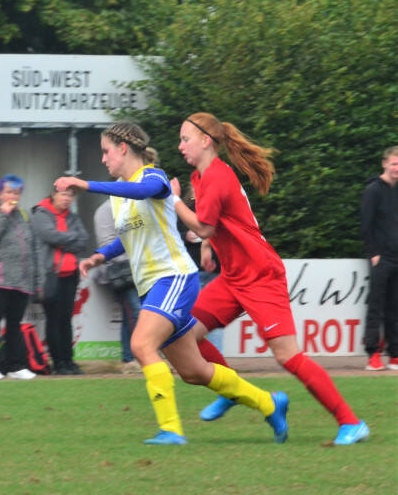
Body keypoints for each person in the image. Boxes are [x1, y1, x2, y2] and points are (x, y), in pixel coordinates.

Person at [54, 122, 289, 445]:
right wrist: (99, 256)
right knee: (195, 371)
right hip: (153, 286)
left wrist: (83, 184)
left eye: (106, 151)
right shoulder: (118, 193)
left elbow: (142, 192)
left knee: (141, 345)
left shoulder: (154, 178)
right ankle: (269, 403)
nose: (103, 158)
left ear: (123, 148)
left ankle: (171, 430)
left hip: (173, 278)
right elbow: (130, 235)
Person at [171, 112, 369, 445]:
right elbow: (212, 223)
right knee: (185, 331)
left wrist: (174, 200)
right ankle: (234, 390)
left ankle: (351, 422)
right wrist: (207, 246)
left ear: (205, 141)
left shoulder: (217, 175)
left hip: (260, 275)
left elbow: (204, 225)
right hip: (233, 277)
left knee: (288, 356)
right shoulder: (201, 176)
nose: (180, 146)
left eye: (185, 139)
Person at [0, 174, 38, 381]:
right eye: (9, 192)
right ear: (0, 193)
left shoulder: (25, 216)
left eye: (17, 193)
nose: (13, 196)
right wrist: (3, 214)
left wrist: (34, 280)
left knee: (14, 324)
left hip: (21, 281)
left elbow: (32, 248)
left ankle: (15, 365)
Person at [32, 185, 90, 375]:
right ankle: (58, 362)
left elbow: (84, 240)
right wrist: (72, 238)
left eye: (70, 196)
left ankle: (68, 360)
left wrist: (64, 240)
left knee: (66, 319)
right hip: (50, 275)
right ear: (53, 195)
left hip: (70, 275)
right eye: (63, 194)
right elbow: (50, 236)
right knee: (54, 319)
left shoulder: (72, 217)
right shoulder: (41, 214)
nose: (67, 199)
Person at [360, 146, 398, 371]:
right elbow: (365, 225)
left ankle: (395, 355)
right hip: (380, 258)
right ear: (385, 164)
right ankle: (373, 355)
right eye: (394, 163)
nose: (396, 168)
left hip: (397, 257)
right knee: (376, 306)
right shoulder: (373, 190)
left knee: (395, 307)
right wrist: (373, 253)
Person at [93, 199, 141, 374]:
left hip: (135, 268)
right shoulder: (107, 209)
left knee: (132, 315)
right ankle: (133, 358)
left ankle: (131, 357)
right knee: (135, 313)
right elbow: (108, 244)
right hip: (122, 270)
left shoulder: (128, 205)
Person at [177, 184, 223, 351]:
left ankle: (215, 356)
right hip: (191, 272)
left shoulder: (217, 210)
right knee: (190, 316)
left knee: (213, 317)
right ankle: (196, 356)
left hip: (214, 271)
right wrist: (185, 236)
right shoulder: (183, 211)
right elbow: (171, 236)